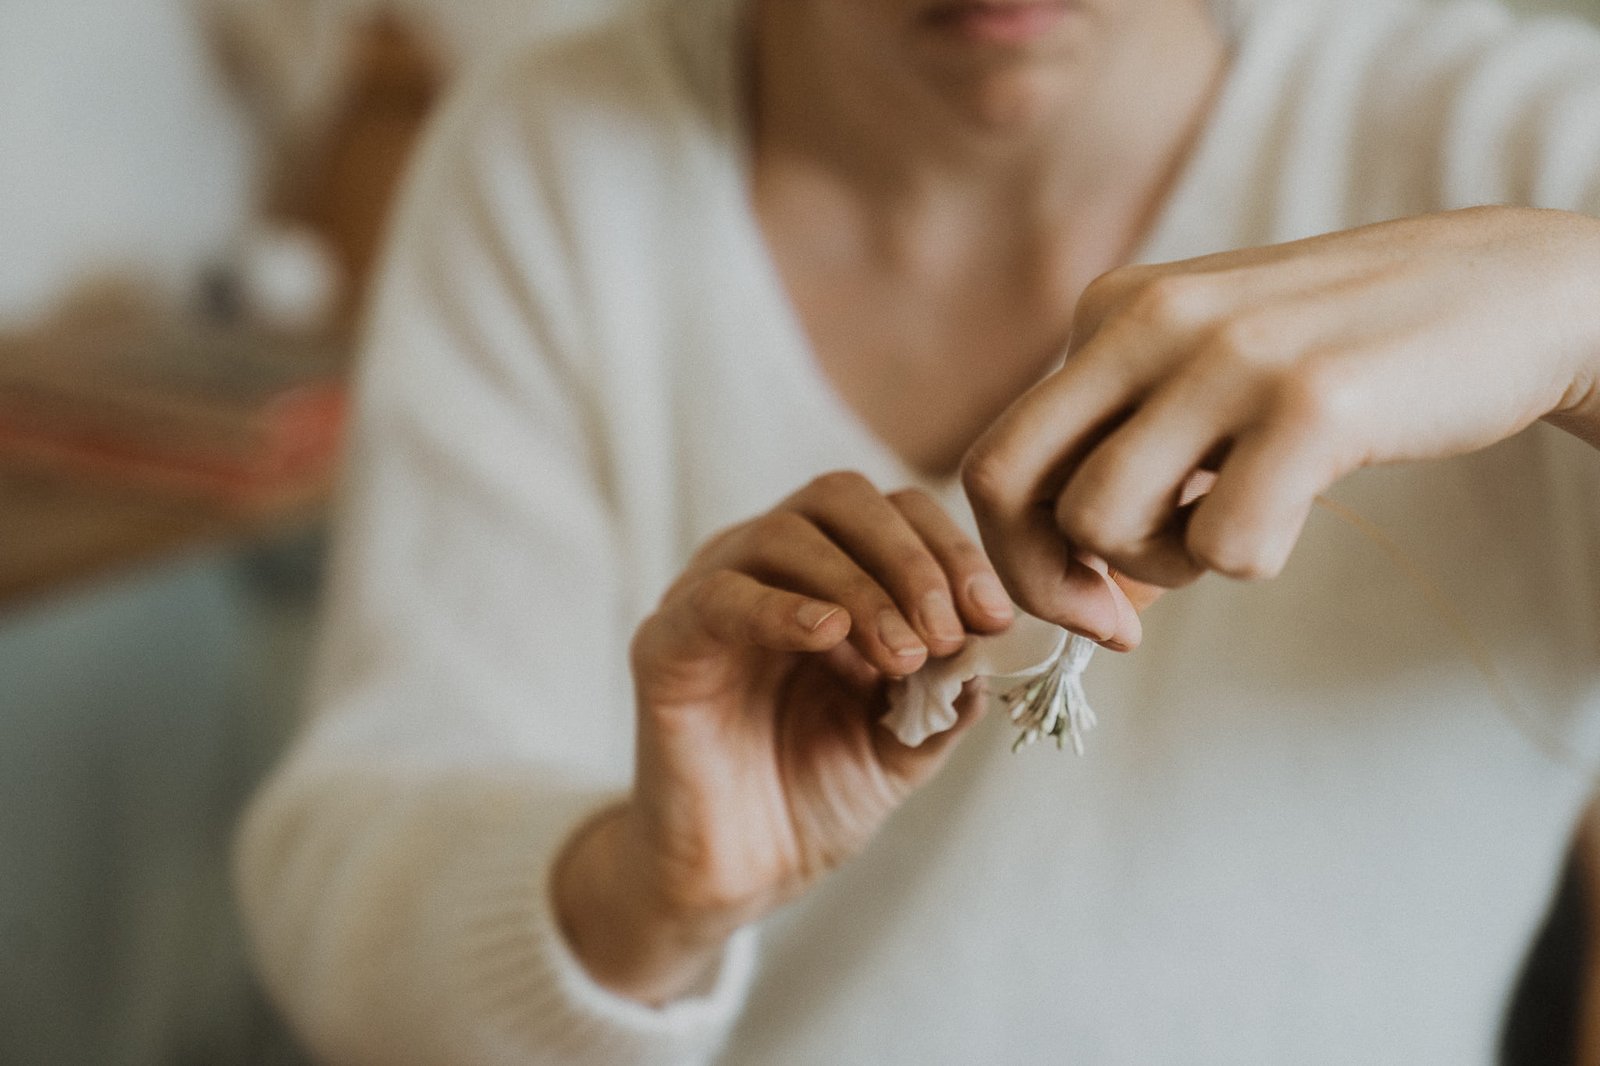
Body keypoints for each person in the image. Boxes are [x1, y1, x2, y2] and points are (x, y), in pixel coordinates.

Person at [234, 0, 1600, 1061]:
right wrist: (637, 898)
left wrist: (1578, 321)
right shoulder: (556, 157)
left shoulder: (1528, 149)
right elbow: (352, 877)